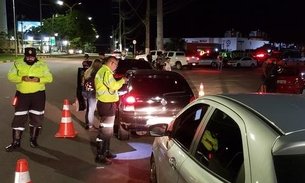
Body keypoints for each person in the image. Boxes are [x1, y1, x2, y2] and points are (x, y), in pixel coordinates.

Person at [5, 47, 53, 152]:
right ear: (25, 56)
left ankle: (33, 140)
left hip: (38, 95)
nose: (30, 58)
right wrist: (21, 78)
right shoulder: (17, 63)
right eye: (28, 56)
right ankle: (16, 142)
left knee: (37, 117)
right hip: (22, 95)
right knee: (19, 117)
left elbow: (49, 78)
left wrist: (38, 79)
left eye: (32, 57)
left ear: (36, 56)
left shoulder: (42, 64)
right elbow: (10, 76)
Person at [94, 56, 127, 165]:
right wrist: (123, 80)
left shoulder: (102, 71)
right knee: (106, 131)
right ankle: (100, 155)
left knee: (107, 130)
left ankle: (106, 151)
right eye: (116, 64)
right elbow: (113, 86)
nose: (116, 67)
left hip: (105, 103)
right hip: (106, 104)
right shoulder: (106, 72)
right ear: (111, 63)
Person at [82, 59, 103, 131]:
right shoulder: (97, 73)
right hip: (92, 93)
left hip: (85, 91)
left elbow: (83, 82)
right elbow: (97, 84)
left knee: (88, 109)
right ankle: (90, 126)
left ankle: (87, 124)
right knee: (91, 110)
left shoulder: (87, 71)